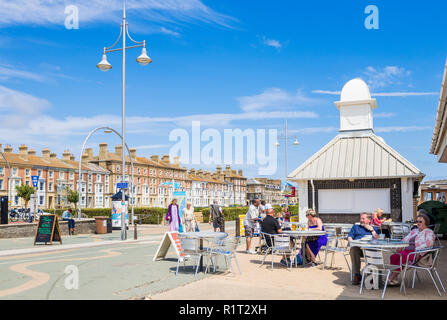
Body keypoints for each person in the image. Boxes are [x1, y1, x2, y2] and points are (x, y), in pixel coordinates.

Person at [387, 213, 436, 286]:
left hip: (417, 254)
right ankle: (394, 278)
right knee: (394, 256)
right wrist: (400, 246)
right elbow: (405, 239)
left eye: (420, 222)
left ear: (426, 222)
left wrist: (417, 249)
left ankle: (391, 277)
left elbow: (429, 243)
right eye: (417, 221)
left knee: (403, 257)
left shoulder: (429, 232)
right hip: (407, 251)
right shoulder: (414, 231)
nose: (418, 223)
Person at [348, 213, 381, 285]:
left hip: (370, 249)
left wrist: (372, 230)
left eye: (363, 218)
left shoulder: (375, 228)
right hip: (358, 249)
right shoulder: (355, 227)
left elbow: (379, 239)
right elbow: (350, 236)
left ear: (369, 220)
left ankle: (371, 274)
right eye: (360, 218)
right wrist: (351, 242)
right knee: (353, 249)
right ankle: (357, 275)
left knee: (373, 251)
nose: (361, 220)